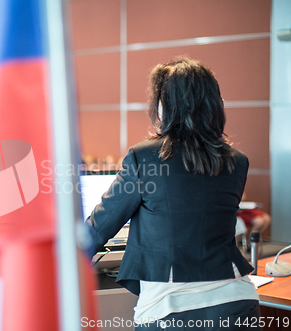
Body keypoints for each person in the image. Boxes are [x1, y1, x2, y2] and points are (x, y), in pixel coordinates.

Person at [86, 58, 260, 330]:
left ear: (164, 105)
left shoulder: (143, 158)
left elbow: (98, 228)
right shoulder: (237, 161)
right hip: (237, 304)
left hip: (171, 311)